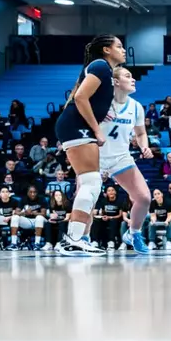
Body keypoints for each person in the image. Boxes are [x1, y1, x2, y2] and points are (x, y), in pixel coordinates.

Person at [52, 35, 124, 255]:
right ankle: (72, 238)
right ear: (106, 50)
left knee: (90, 183)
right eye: (119, 46)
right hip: (78, 127)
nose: (123, 50)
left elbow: (84, 96)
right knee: (91, 182)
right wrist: (97, 129)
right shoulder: (101, 66)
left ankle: (78, 237)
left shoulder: (103, 70)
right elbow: (81, 97)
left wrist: (104, 113)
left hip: (75, 126)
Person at [99, 65, 155, 254]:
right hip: (95, 157)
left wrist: (144, 146)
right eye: (128, 76)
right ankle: (80, 238)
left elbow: (140, 133)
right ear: (115, 82)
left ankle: (134, 233)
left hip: (121, 157)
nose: (133, 79)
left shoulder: (136, 106)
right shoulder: (100, 102)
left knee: (144, 197)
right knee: (85, 199)